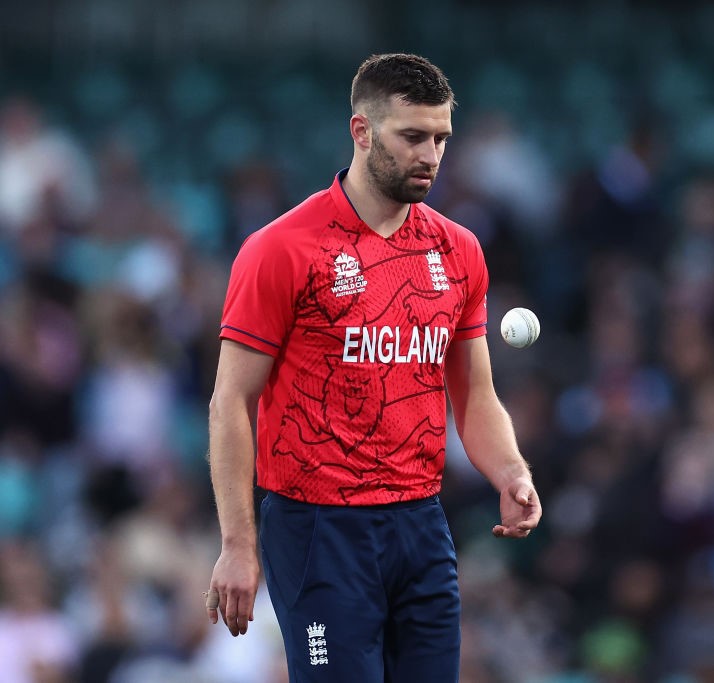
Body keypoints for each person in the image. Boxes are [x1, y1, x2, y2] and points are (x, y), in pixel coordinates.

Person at [205, 53, 542, 682]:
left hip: (420, 522)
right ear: (361, 132)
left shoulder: (458, 250)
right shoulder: (281, 249)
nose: (431, 155)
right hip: (316, 527)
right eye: (411, 136)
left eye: (441, 138)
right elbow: (231, 402)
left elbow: (473, 391)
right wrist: (237, 543)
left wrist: (510, 470)